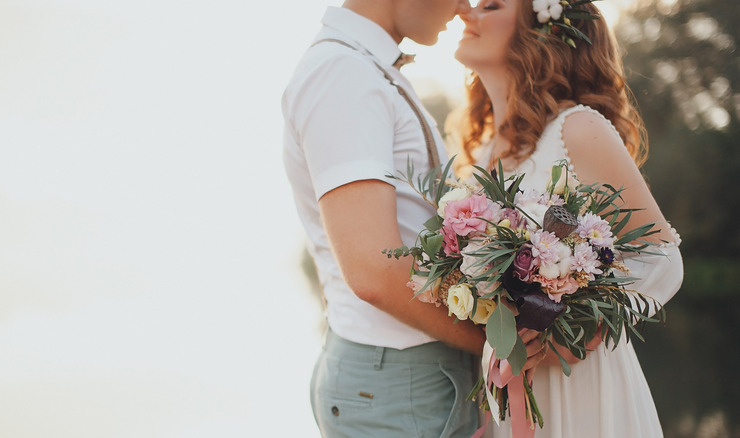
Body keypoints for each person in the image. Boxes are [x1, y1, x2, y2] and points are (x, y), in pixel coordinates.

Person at [281, 1, 547, 436]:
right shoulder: (344, 75)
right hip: (401, 383)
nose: (465, 6)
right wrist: (500, 341)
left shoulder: (364, 69)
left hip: (408, 378)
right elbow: (373, 269)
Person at [451, 0, 684, 437]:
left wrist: (575, 337)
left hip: (582, 389)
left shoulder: (577, 129)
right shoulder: (483, 154)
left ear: (539, 30)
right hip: (511, 388)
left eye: (491, 5)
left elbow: (663, 256)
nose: (467, 11)